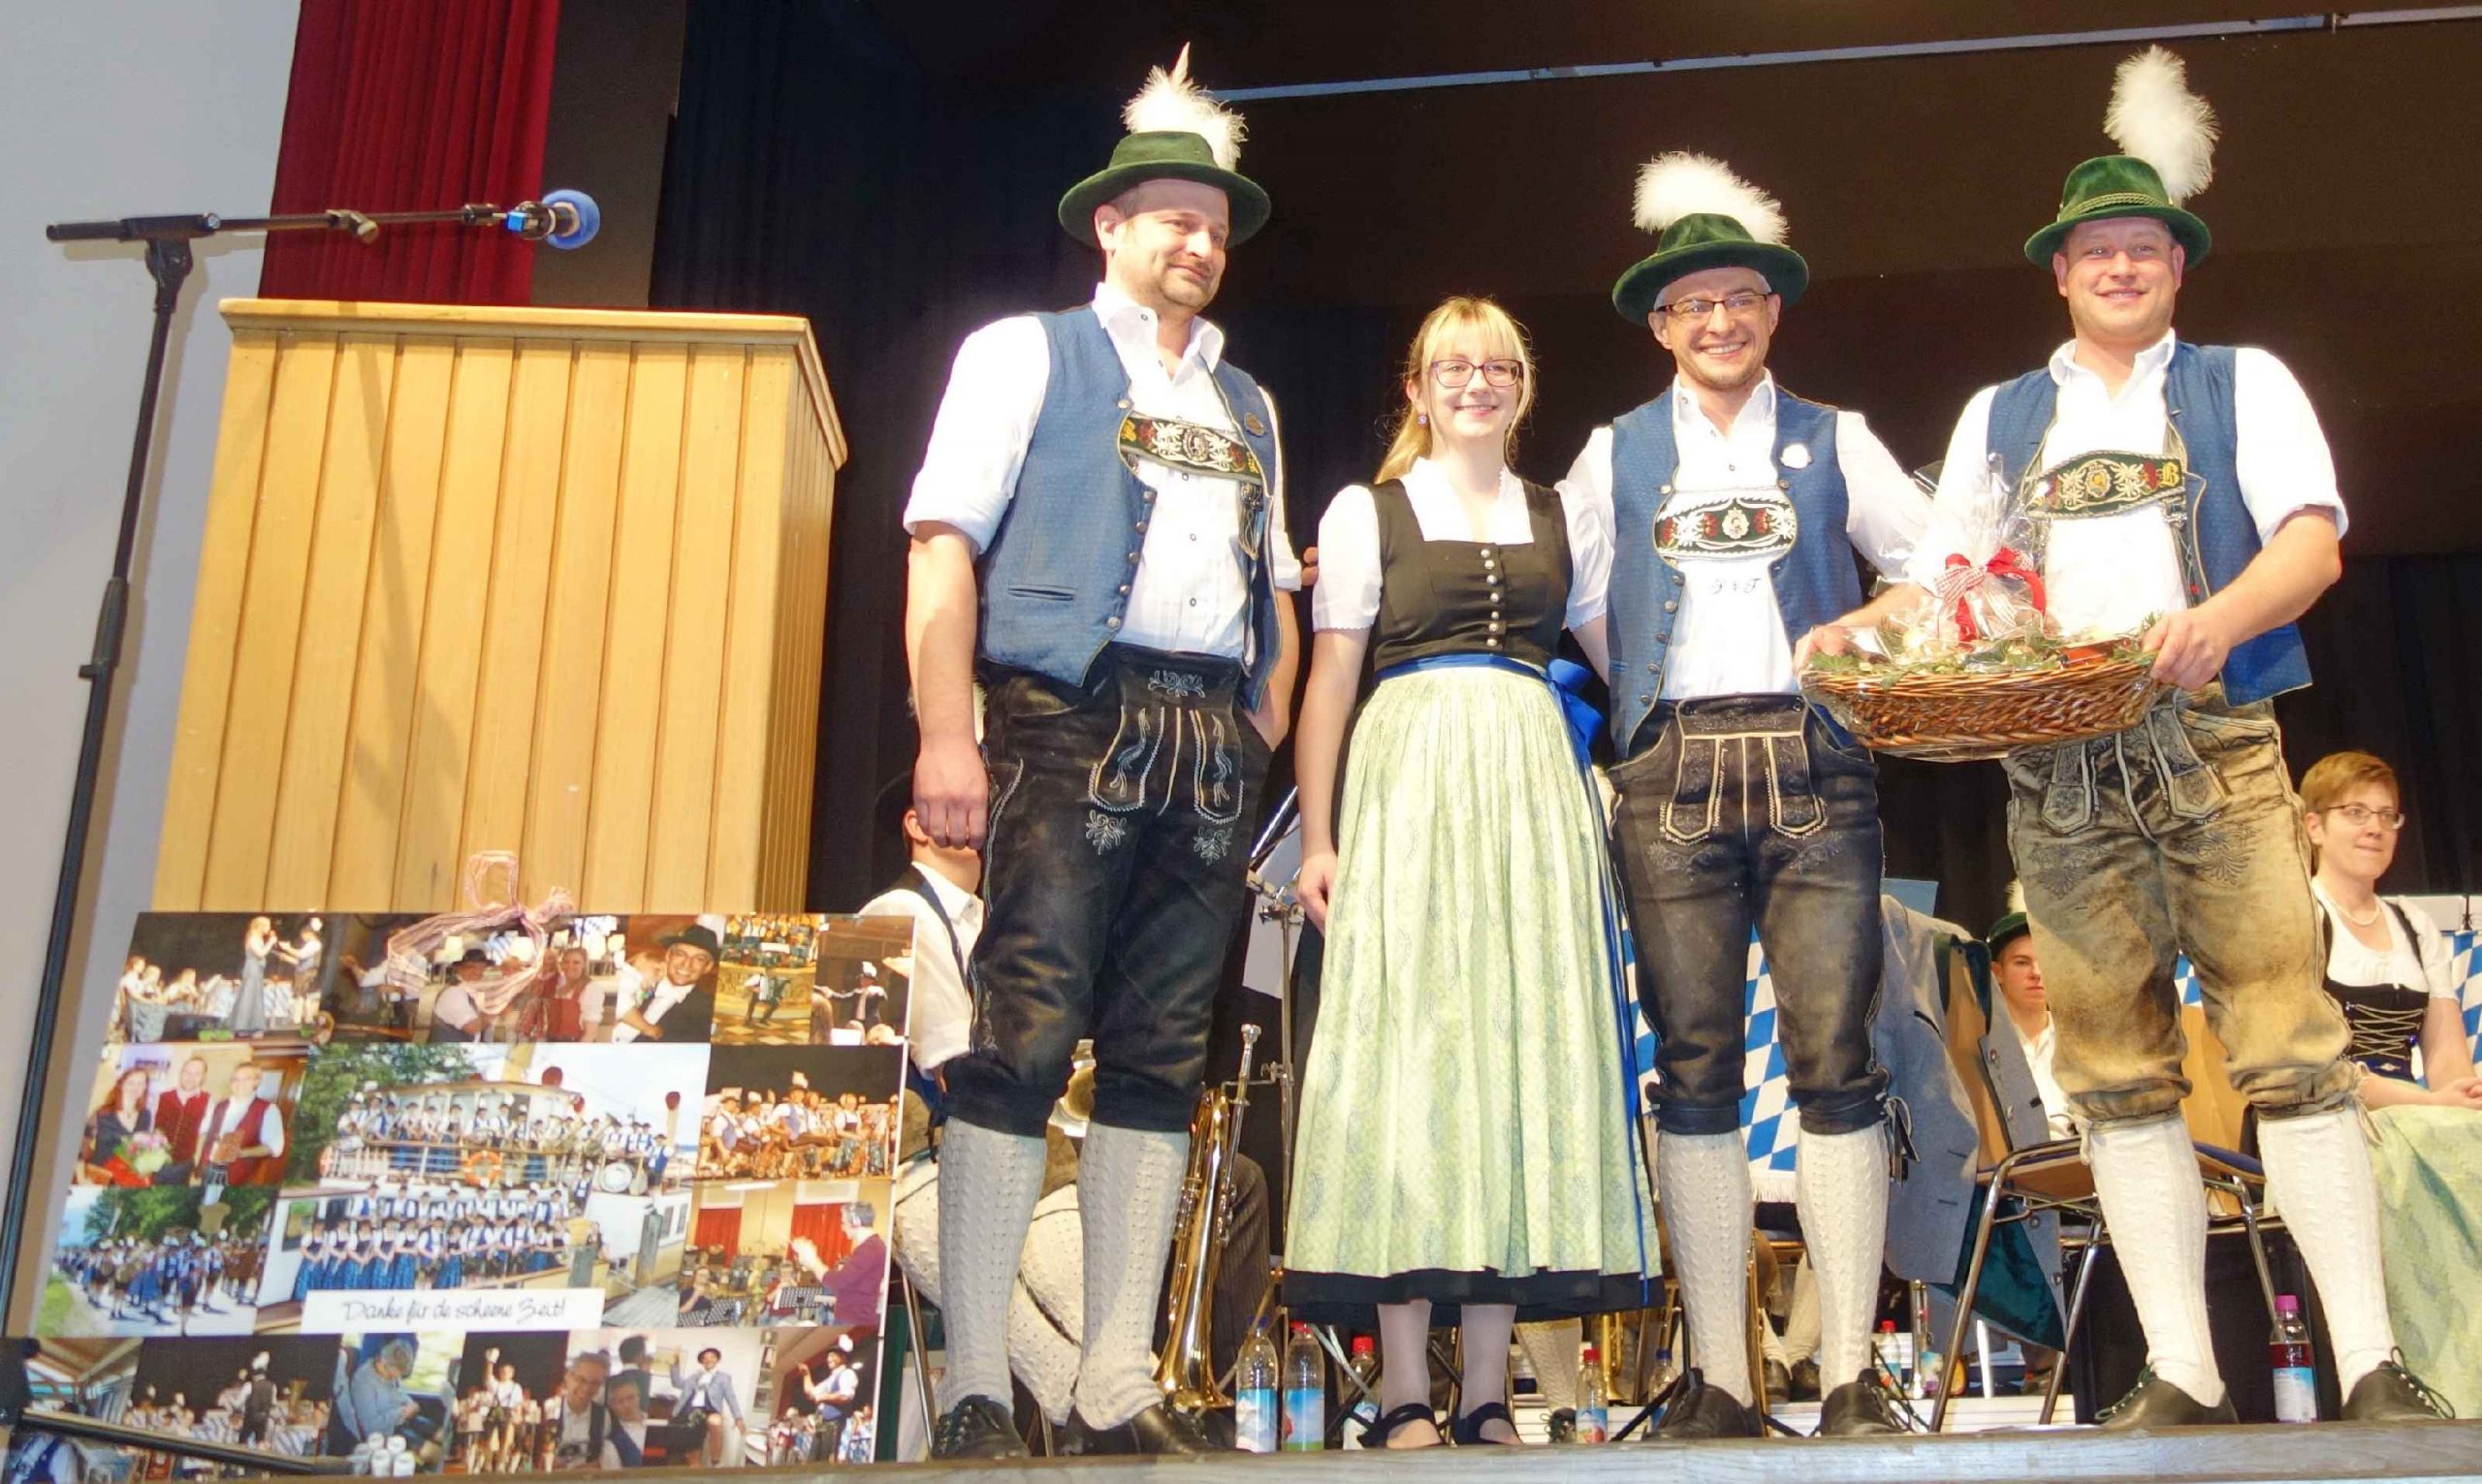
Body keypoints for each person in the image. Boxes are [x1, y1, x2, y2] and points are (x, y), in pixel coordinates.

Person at [1892, 49, 2444, 1426]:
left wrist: (2217, 617)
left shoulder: (2243, 382)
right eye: (2097, 250)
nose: (2121, 266)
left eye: (2144, 247)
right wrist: (1871, 629)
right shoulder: (1998, 415)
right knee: (2114, 1072)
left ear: (2178, 266)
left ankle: (2370, 1363)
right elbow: (1951, 583)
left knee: (2291, 1045)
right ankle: (2184, 1374)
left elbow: (2311, 544)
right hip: (2057, 765)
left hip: (2216, 743)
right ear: (2060, 273)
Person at [902, 48, 1297, 1460]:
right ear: (1110, 225)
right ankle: (973, 1387)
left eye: (1216, 224)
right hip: (1066, 711)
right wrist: (945, 732)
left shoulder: (1250, 405)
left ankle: (1114, 1381)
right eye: (1174, 217)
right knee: (1019, 1038)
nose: (1199, 241)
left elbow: (1275, 590)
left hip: (1209, 731)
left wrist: (1257, 727)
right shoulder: (1023, 351)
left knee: (1158, 1056)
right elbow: (942, 543)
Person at [1562, 150, 1926, 1438]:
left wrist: (1858, 630)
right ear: (1660, 325)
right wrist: (1649, 704)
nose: (1719, 320)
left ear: (1773, 311)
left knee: (1837, 1060)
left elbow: (1936, 563)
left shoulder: (1837, 435)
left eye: (1740, 299)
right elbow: (1582, 604)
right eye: (1694, 304)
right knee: (1694, 1065)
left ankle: (1849, 1374)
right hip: (1672, 768)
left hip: (1816, 756)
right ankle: (1721, 1374)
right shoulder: (1611, 451)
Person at [1284, 296, 1652, 1448]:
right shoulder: (1368, 511)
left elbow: (1620, 654)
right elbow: (1329, 681)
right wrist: (1319, 838)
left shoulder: (1562, 514)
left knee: (1513, 1056)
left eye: (1497, 366)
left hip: (1532, 794)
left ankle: (1488, 1394)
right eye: (1452, 366)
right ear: (1417, 387)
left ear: (1521, 387)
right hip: (1409, 786)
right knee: (1408, 1058)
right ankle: (1403, 1390)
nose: (1476, 382)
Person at [2302, 749, 2482, 1415]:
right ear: (2314, 826)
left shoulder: (2414, 927)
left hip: (2411, 1112)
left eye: (2387, 815)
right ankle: (2436, 1369)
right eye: (2356, 812)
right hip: (2319, 1118)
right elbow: (2318, 1068)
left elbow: (2447, 1055)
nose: (2375, 828)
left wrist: (2461, 1097)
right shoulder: (2297, 919)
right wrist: (2433, 1102)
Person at [1989, 911, 2075, 1138]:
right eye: (2022, 963)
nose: (2036, 973)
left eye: (2045, 961)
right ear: (1997, 972)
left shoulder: (2079, 1039)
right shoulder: (1983, 1045)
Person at [612, 923, 719, 1044]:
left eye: (699, 959)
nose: (687, 964)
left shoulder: (705, 1011)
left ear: (708, 967)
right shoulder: (641, 978)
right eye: (681, 954)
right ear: (668, 955)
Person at [197, 1059, 287, 1195]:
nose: (240, 1084)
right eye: (235, 1079)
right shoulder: (219, 1106)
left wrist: (242, 1153)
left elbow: (274, 1148)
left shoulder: (268, 1109)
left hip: (238, 1175)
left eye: (246, 1079)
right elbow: (203, 1130)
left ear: (256, 1082)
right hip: (209, 1168)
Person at [667, 1346, 742, 1468]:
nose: (708, 1359)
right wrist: (676, 1362)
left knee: (715, 1423)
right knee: (692, 1452)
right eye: (705, 1358)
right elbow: (677, 1383)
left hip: (709, 1410)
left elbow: (731, 1397)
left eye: (711, 1357)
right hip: (690, 1410)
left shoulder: (723, 1377)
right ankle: (694, 1463)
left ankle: (715, 1462)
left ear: (717, 1360)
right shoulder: (695, 1376)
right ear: (701, 1362)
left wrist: (738, 1417)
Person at [80, 1066, 153, 1183]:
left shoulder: (145, 1115)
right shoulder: (102, 1114)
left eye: (140, 1083)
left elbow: (141, 1152)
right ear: (121, 1084)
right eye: (131, 1083)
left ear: (145, 1087)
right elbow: (80, 1148)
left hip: (129, 1179)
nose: (135, 1088)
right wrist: (82, 1179)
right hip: (101, 1176)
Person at [154, 1055, 211, 1184]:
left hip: (183, 1166)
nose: (191, 1077)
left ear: (203, 1077)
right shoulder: (162, 1097)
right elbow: (150, 1127)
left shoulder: (209, 1102)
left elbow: (205, 1135)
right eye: (187, 1072)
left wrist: (200, 1165)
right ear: (181, 1073)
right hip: (155, 1162)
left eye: (197, 1074)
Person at [430, 950, 491, 1042]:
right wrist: (495, 1011)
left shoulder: (469, 991)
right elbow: (472, 1027)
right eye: (471, 967)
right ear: (459, 968)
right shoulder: (453, 993)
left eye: (482, 968)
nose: (477, 972)